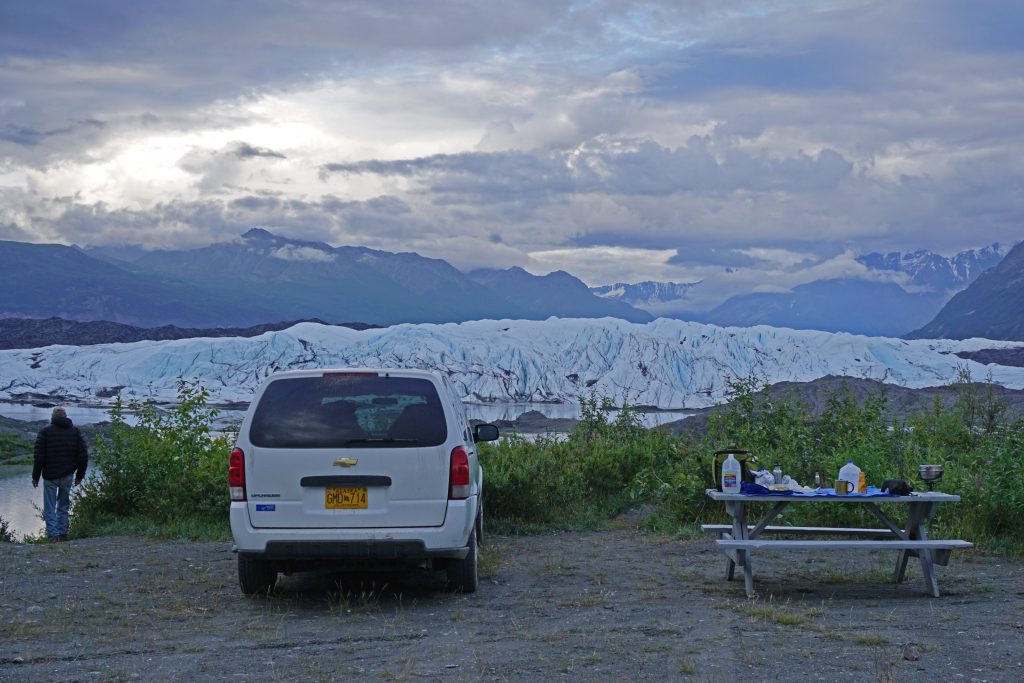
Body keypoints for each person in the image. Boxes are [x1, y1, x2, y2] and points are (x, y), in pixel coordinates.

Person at [32, 407, 89, 542]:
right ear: (65, 416)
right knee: (63, 506)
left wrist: (35, 476)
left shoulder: (45, 431)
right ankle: (63, 533)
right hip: (68, 475)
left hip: (50, 477)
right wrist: (80, 475)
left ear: (53, 417)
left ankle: (53, 536)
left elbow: (39, 456)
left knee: (50, 507)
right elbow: (83, 455)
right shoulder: (75, 431)